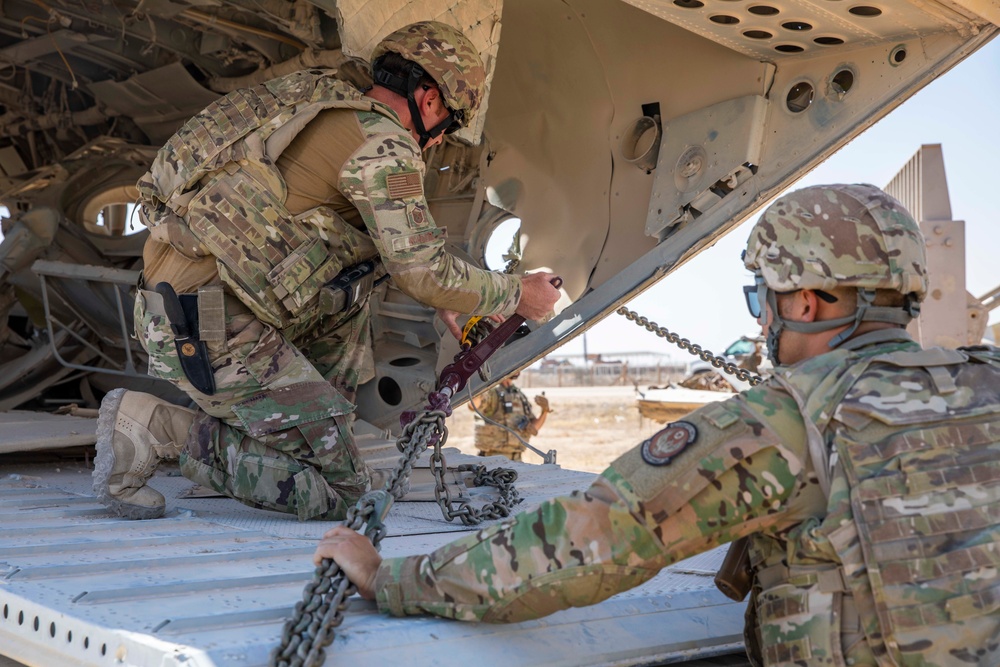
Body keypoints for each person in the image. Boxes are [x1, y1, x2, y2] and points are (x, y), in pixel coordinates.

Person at [315, 184, 1000, 665]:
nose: (761, 318)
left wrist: (393, 578)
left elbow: (589, 540)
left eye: (763, 295)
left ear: (812, 302)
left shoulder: (788, 422)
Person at [92, 20, 561, 522]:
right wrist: (515, 293)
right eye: (447, 125)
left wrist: (451, 295)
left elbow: (376, 247)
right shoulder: (385, 143)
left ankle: (311, 438)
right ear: (430, 101)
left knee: (355, 281)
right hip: (209, 325)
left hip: (185, 306)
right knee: (342, 493)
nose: (436, 142)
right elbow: (421, 269)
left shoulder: (323, 102)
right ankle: (156, 426)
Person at [469, 372, 550, 461]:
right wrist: (477, 392)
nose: (518, 369)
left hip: (517, 460)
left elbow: (534, 428)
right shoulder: (491, 392)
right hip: (492, 461)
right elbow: (474, 405)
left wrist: (544, 411)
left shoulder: (519, 395)